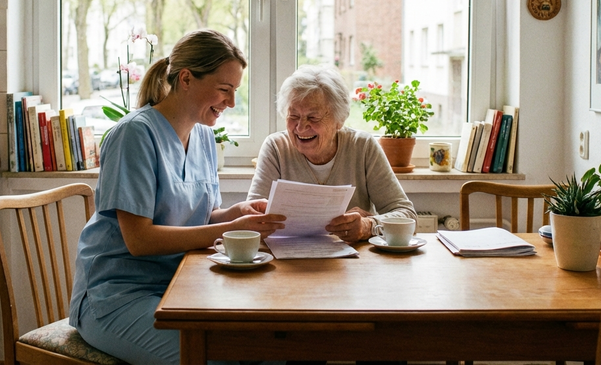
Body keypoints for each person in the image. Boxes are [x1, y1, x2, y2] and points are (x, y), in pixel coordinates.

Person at [69, 29, 286, 365]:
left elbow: (198, 218)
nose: (230, 102)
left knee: (265, 347)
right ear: (186, 78)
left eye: (235, 92)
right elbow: (140, 240)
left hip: (178, 287)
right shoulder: (134, 135)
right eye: (224, 90)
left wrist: (235, 213)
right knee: (218, 358)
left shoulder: (202, 137)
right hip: (116, 297)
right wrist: (229, 231)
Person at [247, 64, 416, 243]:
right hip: (288, 262)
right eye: (293, 116)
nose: (301, 127)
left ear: (339, 120)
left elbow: (408, 217)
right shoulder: (276, 148)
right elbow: (250, 218)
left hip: (354, 264)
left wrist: (367, 226)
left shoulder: (363, 147)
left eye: (313, 117)